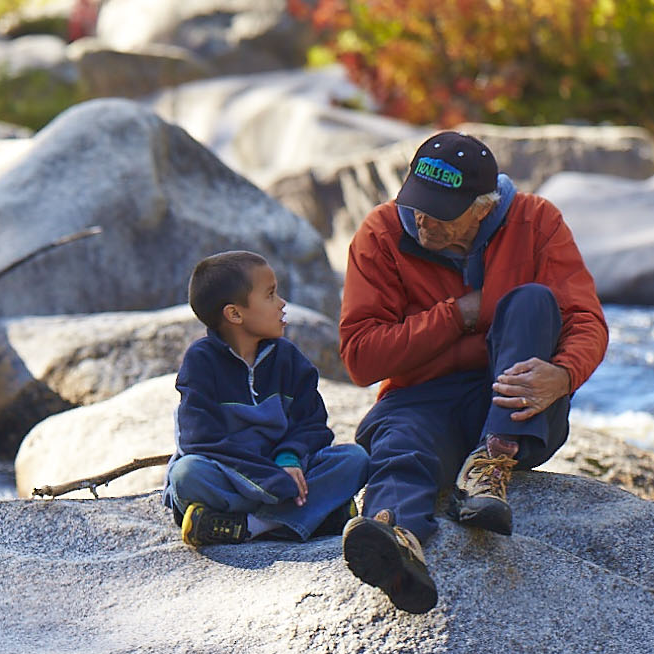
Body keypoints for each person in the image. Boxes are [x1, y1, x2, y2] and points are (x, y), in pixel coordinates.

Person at [337, 131, 609, 613]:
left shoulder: (536, 220)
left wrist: (564, 376)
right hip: (420, 399)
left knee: (532, 301)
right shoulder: (380, 234)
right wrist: (459, 313)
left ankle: (491, 466)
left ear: (484, 207)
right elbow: (360, 356)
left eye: (440, 211)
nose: (422, 219)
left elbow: (585, 319)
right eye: (417, 201)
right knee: (400, 447)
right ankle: (395, 542)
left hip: (512, 403)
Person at [163, 251, 368, 546]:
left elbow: (312, 426)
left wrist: (288, 458)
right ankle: (308, 518)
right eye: (270, 295)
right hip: (233, 475)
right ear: (234, 314)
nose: (282, 303)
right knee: (187, 474)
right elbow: (200, 441)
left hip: (285, 473)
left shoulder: (288, 358)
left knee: (354, 459)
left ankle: (249, 526)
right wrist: (268, 482)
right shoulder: (201, 362)